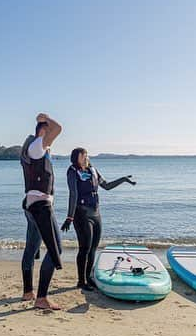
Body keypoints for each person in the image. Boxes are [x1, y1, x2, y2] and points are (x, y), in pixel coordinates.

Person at [61, 148, 135, 291]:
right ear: (76, 157)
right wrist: (70, 217)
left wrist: (123, 180)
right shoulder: (72, 171)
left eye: (86, 155)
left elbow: (106, 186)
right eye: (83, 155)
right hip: (81, 214)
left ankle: (88, 278)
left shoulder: (93, 170)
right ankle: (81, 281)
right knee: (85, 248)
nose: (86, 157)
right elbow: (73, 194)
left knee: (93, 248)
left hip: (95, 214)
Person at [20, 113, 63, 310]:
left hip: (31, 204)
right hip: (41, 207)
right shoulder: (37, 146)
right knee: (56, 250)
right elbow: (58, 128)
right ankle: (42, 297)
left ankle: (28, 291)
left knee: (32, 247)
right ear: (42, 132)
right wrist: (45, 117)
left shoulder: (35, 149)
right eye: (47, 133)